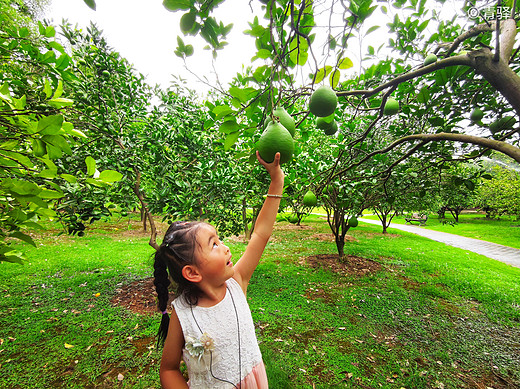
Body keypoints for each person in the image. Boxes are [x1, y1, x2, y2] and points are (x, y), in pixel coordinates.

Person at [153, 151, 284, 389]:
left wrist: (276, 180)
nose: (225, 248)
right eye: (214, 244)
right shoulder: (183, 314)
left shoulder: (237, 281)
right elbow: (169, 368)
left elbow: (261, 233)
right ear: (192, 273)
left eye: (220, 239)